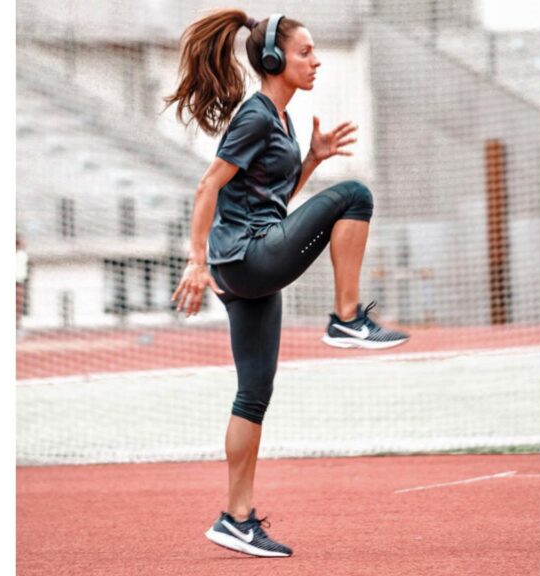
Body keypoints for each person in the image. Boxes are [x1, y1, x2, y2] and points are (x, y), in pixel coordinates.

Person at [166, 10, 409, 558]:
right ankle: (346, 318)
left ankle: (236, 518)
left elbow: (270, 202)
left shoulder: (279, 120)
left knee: (254, 393)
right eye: (305, 52)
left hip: (249, 264)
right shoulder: (255, 116)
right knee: (354, 196)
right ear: (274, 61)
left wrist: (311, 160)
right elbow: (208, 185)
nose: (316, 60)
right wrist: (195, 260)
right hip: (243, 257)